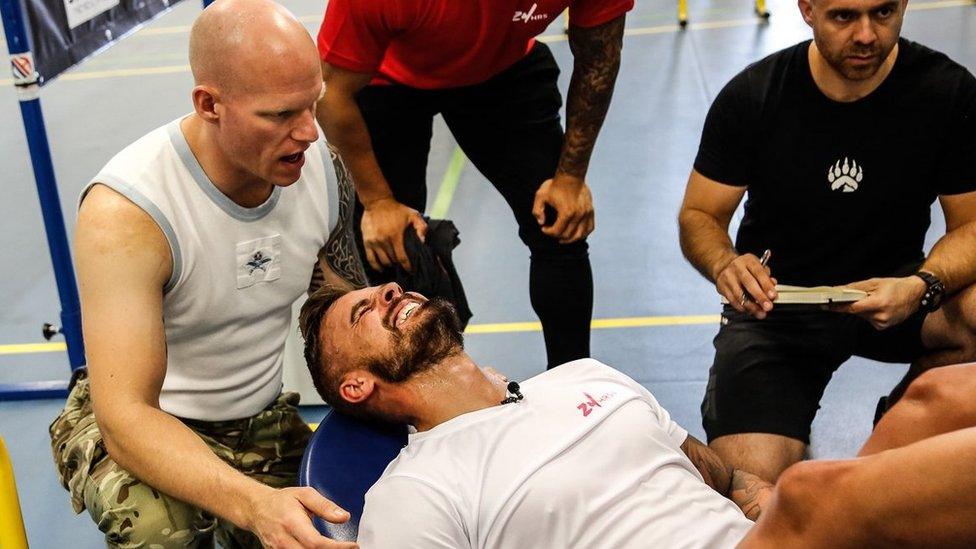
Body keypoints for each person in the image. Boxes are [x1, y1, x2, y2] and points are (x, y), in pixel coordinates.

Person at [299, 283, 976, 548]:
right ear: (354, 384)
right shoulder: (413, 488)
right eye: (364, 312)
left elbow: (726, 480)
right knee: (815, 490)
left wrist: (758, 498)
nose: (389, 290)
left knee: (935, 400)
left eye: (381, 289)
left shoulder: (581, 377)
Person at [48, 0, 366, 546]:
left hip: (259, 416)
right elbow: (126, 418)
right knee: (160, 532)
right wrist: (253, 503)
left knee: (351, 519)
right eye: (280, 115)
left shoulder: (322, 170)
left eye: (312, 104)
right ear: (209, 104)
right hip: (142, 422)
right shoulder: (129, 213)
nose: (310, 133)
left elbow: (340, 312)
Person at [677, 0, 976, 481]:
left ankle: (903, 421)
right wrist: (726, 264)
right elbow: (700, 214)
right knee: (754, 493)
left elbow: (973, 226)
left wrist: (923, 284)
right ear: (807, 9)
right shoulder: (755, 94)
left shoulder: (946, 91)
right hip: (776, 308)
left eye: (883, 13)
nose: (865, 35)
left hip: (896, 292)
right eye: (843, 16)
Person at [315, 0, 634, 368]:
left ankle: (575, 385)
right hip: (387, 79)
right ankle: (417, 395)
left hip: (502, 69)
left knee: (560, 224)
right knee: (393, 251)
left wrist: (571, 178)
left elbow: (599, 58)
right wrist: (378, 202)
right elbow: (332, 93)